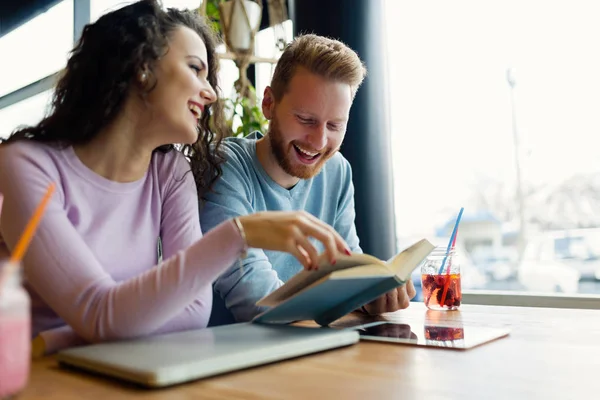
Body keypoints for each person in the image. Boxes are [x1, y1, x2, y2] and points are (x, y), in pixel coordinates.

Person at [0, 0, 350, 356]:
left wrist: (69, 336)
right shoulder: (26, 165)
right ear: (141, 68)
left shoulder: (170, 172)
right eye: (195, 69)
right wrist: (241, 232)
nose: (211, 92)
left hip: (111, 366)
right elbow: (97, 311)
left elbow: (192, 315)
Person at [201, 34, 416, 326]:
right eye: (306, 120)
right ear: (268, 104)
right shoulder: (224, 167)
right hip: (231, 357)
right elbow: (259, 303)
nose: (319, 141)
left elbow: (346, 267)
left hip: (305, 348)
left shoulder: (337, 170)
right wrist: (345, 299)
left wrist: (368, 296)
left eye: (334, 125)